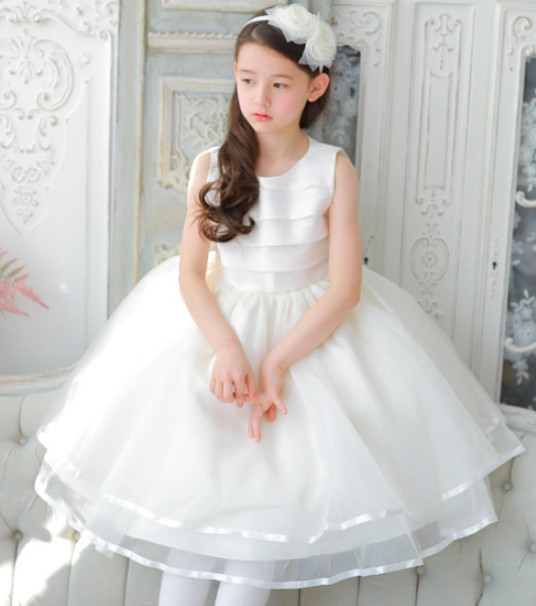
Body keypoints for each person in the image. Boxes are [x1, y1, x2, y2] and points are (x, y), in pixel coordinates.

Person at [35, 5, 524, 606]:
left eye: (279, 84)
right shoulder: (211, 165)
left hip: (311, 345)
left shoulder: (331, 169)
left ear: (314, 87)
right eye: (247, 80)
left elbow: (345, 288)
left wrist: (276, 362)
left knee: (255, 551)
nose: (259, 98)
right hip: (217, 338)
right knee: (191, 537)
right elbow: (190, 273)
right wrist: (228, 349)